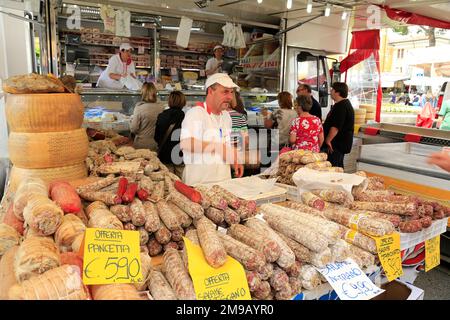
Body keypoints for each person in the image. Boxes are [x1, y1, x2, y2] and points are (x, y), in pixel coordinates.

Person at [180, 73, 244, 185]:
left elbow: (226, 146)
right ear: (210, 91)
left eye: (231, 92)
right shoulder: (196, 113)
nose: (230, 97)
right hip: (199, 185)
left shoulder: (226, 116)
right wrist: (218, 147)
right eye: (225, 92)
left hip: (224, 183)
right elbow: (186, 144)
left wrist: (234, 160)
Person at [322, 82, 355, 168]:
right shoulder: (341, 104)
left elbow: (336, 127)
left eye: (332, 89)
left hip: (337, 144)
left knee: (333, 167)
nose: (330, 92)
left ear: (338, 92)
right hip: (338, 143)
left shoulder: (342, 106)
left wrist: (328, 140)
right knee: (338, 166)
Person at [154, 91, 186, 178]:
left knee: (168, 181)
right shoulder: (184, 117)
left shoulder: (162, 115)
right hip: (178, 153)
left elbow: (156, 137)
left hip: (164, 153)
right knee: (181, 182)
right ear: (183, 102)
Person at [130, 82, 165, 151]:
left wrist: (131, 122)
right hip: (157, 144)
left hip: (141, 145)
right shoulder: (161, 107)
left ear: (143, 93)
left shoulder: (139, 107)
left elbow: (134, 129)